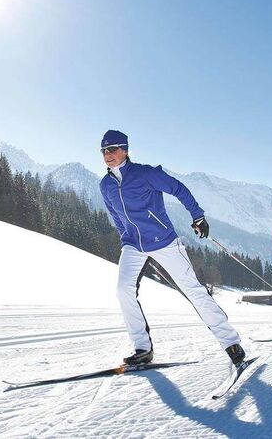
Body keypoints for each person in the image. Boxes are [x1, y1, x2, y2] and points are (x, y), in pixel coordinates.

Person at [98, 129, 246, 368]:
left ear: (125, 150)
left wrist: (198, 216)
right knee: (123, 290)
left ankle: (230, 342)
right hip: (133, 245)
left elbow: (178, 188)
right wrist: (124, 235)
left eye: (112, 149)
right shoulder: (105, 185)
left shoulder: (145, 174)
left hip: (163, 241)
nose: (108, 155)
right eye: (104, 151)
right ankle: (142, 349)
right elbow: (115, 215)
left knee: (193, 290)